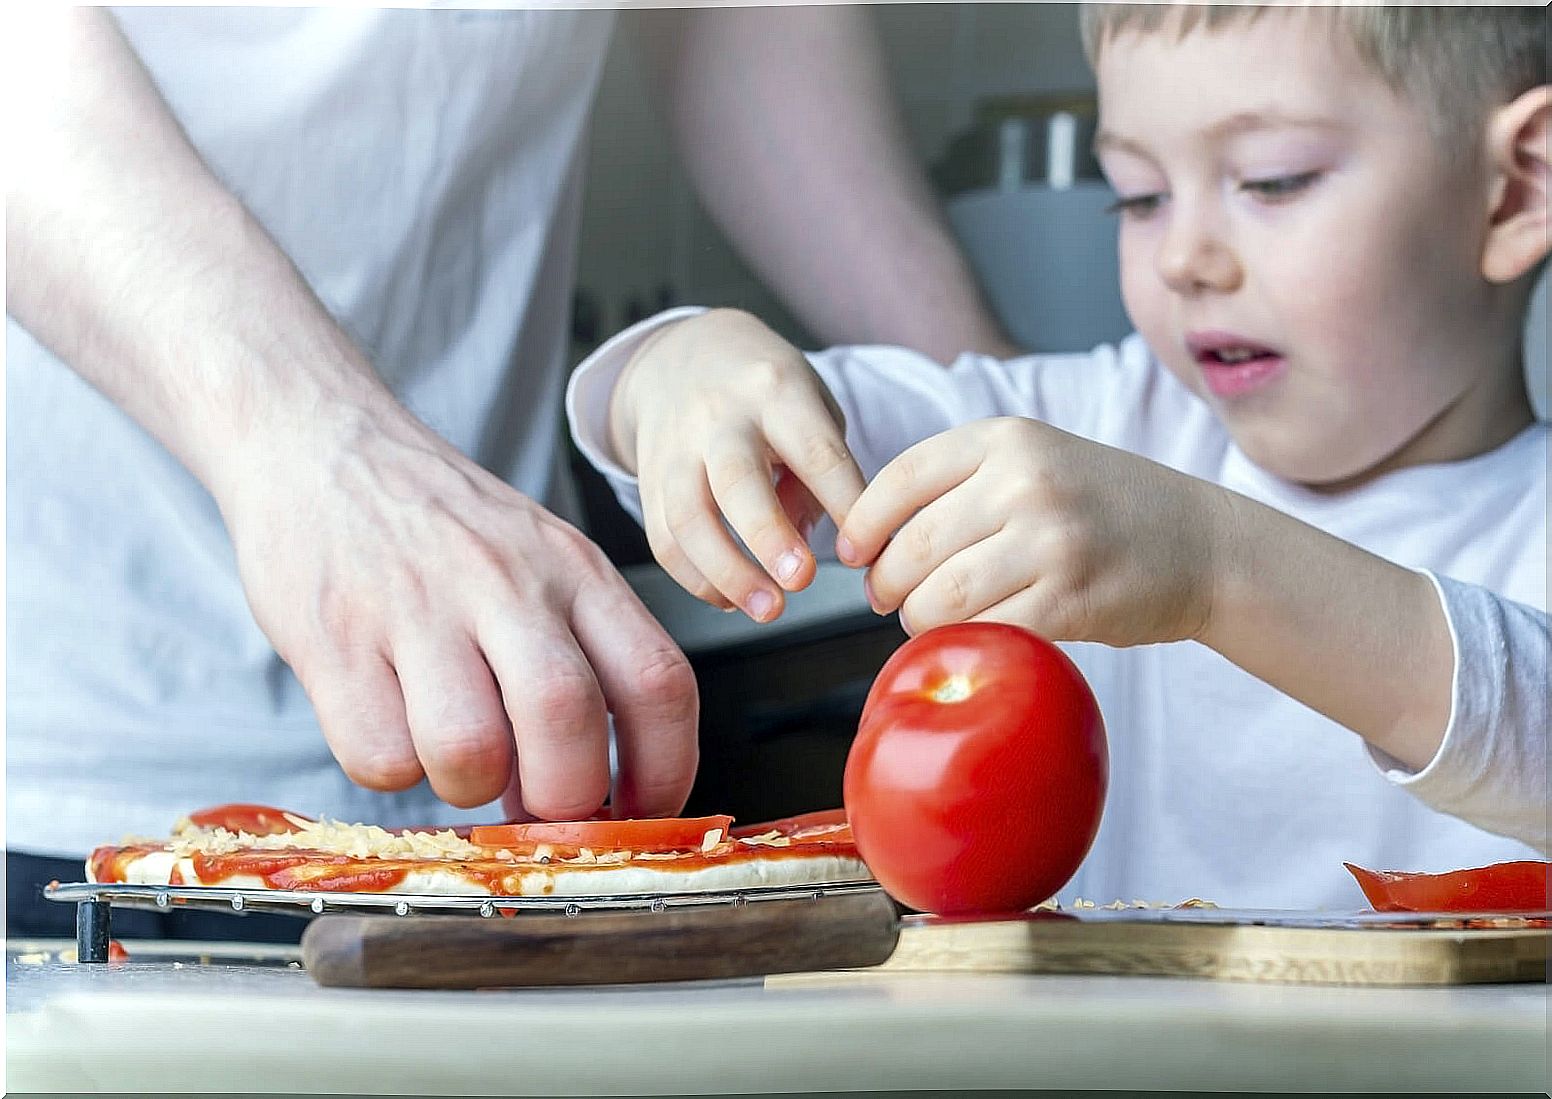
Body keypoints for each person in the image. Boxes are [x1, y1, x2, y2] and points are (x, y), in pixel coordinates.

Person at [5, 6, 1016, 938]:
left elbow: (733, 25)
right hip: (64, 750)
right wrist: (327, 449)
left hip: (510, 765)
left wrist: (1020, 431)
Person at [568, 5, 1549, 908]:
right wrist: (679, 367)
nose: (1183, 258)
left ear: (1514, 190)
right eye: (1138, 197)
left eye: (1272, 179)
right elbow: (786, 431)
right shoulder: (1093, 424)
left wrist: (1212, 565)